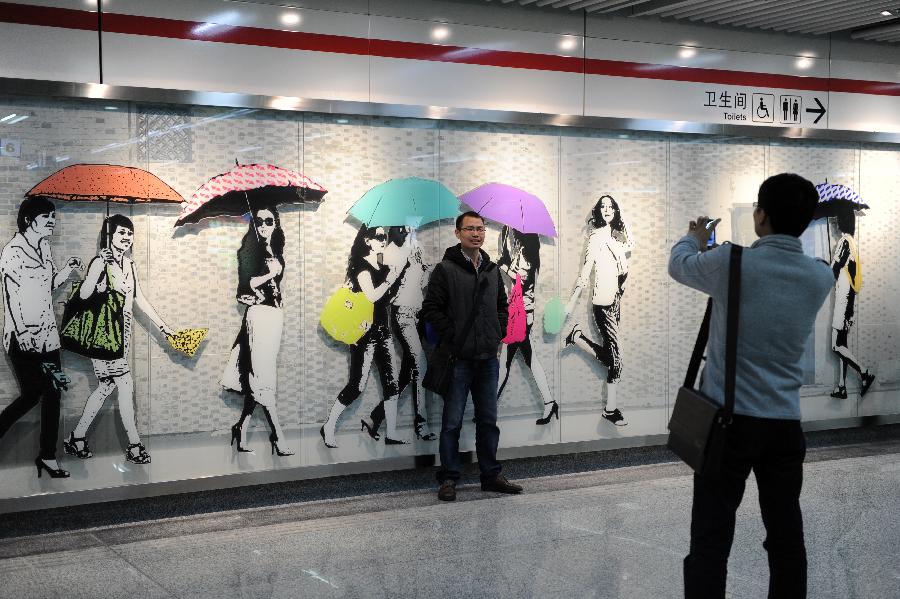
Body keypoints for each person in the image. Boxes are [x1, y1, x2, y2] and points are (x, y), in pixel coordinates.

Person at [668, 173, 834, 598]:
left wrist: (695, 237)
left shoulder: (732, 262)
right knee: (785, 534)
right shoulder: (820, 277)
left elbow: (680, 265)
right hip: (783, 425)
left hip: (729, 424)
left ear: (760, 216)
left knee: (711, 535)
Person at [421, 211, 522, 501]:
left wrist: (497, 331)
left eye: (480, 229)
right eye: (469, 229)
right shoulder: (445, 269)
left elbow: (502, 305)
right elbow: (431, 309)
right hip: (458, 359)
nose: (476, 234)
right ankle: (449, 478)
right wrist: (452, 334)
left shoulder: (491, 269)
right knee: (452, 422)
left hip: (487, 358)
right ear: (458, 233)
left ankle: (490, 475)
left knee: (488, 420)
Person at [65, 214, 176, 465]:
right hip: (104, 333)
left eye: (129, 233)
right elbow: (83, 295)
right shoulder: (100, 262)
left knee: (105, 387)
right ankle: (135, 445)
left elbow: (138, 300)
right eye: (121, 232)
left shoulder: (130, 265)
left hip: (121, 335)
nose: (126, 237)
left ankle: (76, 437)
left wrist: (164, 327)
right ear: (109, 235)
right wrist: (97, 275)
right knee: (125, 386)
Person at [0, 197, 82, 478]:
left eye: (53, 216)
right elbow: (11, 296)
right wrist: (22, 332)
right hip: (22, 337)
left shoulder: (44, 247)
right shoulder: (13, 252)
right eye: (47, 216)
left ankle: (47, 456)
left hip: (47, 336)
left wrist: (66, 271)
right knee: (33, 393)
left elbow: (46, 286)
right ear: (28, 220)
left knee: (54, 393)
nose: (52, 221)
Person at [321, 225, 403, 448]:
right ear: (367, 240)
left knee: (391, 383)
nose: (383, 240)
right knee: (356, 386)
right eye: (378, 236)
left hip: (382, 331)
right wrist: (390, 279)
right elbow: (374, 295)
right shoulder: (362, 268)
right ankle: (328, 426)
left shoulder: (383, 266)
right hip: (364, 335)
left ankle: (392, 432)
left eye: (384, 236)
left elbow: (388, 299)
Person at [221, 206, 293, 456]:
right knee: (264, 377)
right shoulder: (250, 249)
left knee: (260, 374)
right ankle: (278, 435)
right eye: (259, 221)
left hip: (275, 316)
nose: (263, 225)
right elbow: (246, 283)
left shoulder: (276, 249)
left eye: (268, 221)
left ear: (276, 223)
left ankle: (241, 427)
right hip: (260, 315)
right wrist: (270, 274)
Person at [564, 195, 633, 426]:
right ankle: (610, 410)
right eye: (602, 206)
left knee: (612, 355)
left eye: (611, 206)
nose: (607, 209)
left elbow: (631, 245)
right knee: (618, 359)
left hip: (615, 301)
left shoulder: (614, 237)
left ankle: (578, 338)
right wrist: (571, 303)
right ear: (597, 211)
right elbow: (585, 273)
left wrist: (624, 224)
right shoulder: (595, 238)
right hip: (602, 304)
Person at [365, 226, 436, 441]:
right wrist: (399, 271)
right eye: (400, 229)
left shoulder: (417, 248)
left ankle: (375, 417)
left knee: (409, 371)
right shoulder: (387, 254)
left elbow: (422, 284)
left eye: (408, 228)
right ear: (391, 231)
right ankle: (421, 423)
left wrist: (426, 271)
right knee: (421, 365)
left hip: (418, 313)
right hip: (401, 315)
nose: (405, 232)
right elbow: (384, 288)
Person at [496, 225, 556, 425]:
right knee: (529, 360)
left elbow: (518, 279)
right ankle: (549, 402)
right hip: (519, 313)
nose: (513, 234)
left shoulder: (528, 256)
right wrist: (504, 236)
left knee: (505, 362)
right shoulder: (522, 252)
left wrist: (503, 265)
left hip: (521, 315)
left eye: (514, 232)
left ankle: (487, 409)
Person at [827, 207, 875, 399]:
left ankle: (865, 372)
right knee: (842, 344)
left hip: (843, 301)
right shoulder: (853, 243)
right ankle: (842, 386)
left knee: (835, 346)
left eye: (838, 220)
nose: (836, 224)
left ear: (842, 223)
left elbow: (833, 269)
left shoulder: (844, 242)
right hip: (849, 302)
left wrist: (824, 264)